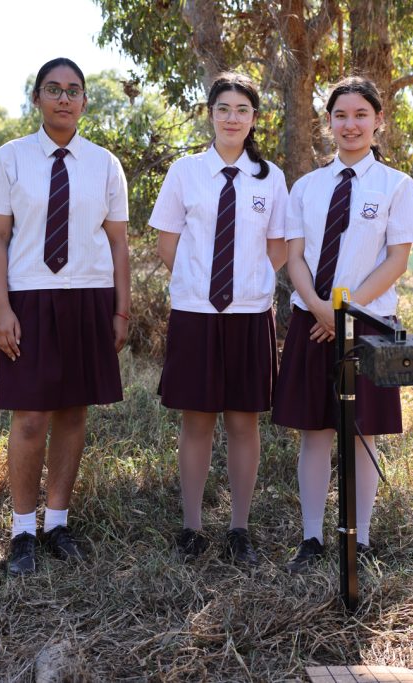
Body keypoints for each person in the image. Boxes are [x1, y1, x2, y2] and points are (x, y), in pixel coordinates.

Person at [0, 57, 131, 576]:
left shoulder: (105, 164)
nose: (64, 98)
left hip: (89, 296)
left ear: (85, 100)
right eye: (53, 89)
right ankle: (23, 531)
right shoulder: (9, 159)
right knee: (30, 417)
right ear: (37, 98)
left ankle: (58, 523)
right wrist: (1, 308)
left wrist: (121, 309)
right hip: (30, 298)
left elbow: (118, 243)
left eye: (73, 90)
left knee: (73, 412)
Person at [272, 76, 413, 572]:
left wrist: (345, 313)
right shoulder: (307, 187)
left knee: (361, 434)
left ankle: (360, 539)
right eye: (341, 115)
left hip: (368, 325)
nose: (351, 124)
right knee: (315, 433)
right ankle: (312, 539)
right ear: (329, 122)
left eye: (361, 114)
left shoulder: (397, 186)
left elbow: (397, 260)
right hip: (311, 321)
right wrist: (320, 309)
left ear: (379, 120)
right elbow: (295, 257)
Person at [149, 72, 288, 565]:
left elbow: (277, 247)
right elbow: (168, 243)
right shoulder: (185, 172)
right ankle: (191, 528)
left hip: (249, 315)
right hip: (196, 314)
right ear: (210, 114)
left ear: (254, 119)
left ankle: (239, 530)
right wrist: (201, 282)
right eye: (224, 108)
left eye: (242, 110)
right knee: (197, 421)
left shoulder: (271, 179)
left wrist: (245, 282)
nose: (232, 118)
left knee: (244, 422)